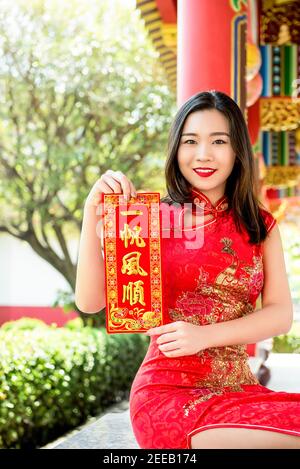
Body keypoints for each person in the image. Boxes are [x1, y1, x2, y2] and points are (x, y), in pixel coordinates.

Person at [75, 90, 300, 449]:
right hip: (169, 396)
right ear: (176, 150)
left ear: (237, 149)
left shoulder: (259, 226)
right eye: (190, 141)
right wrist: (91, 213)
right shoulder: (148, 221)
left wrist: (204, 336)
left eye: (219, 141)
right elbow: (90, 302)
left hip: (239, 389)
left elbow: (279, 315)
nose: (203, 154)